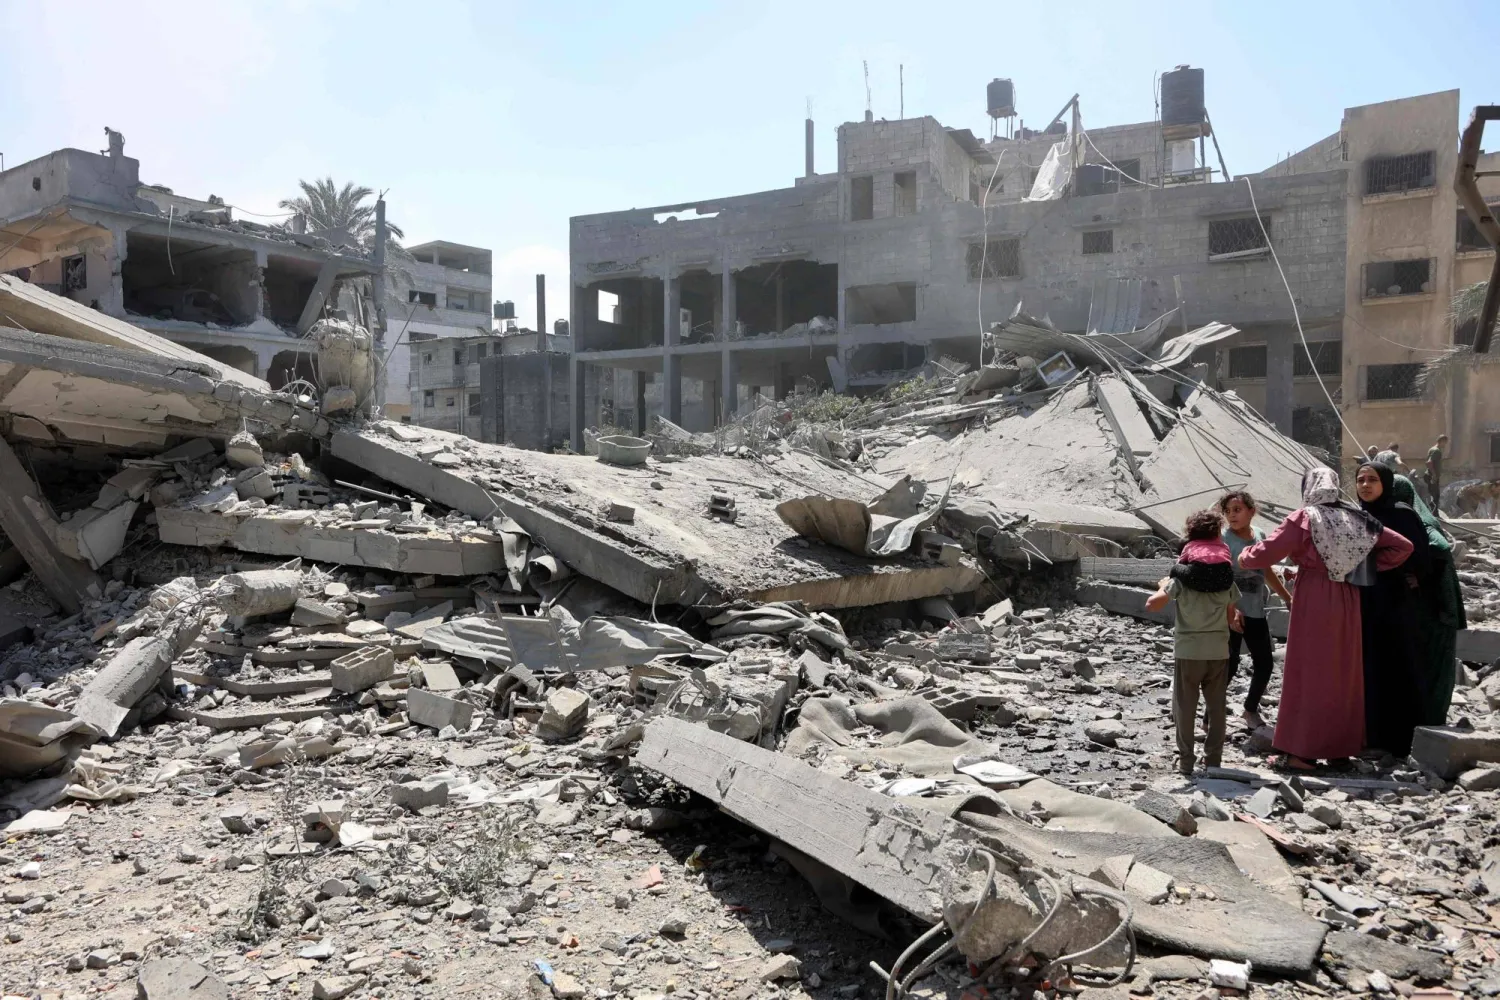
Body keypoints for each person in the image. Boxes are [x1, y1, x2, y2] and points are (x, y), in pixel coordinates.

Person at [1239, 468, 1413, 771]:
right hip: (1348, 597)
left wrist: (1244, 556)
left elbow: (1262, 555)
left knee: (1308, 671)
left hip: (1314, 597)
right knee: (1343, 672)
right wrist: (1367, 566)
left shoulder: (1305, 518)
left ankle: (1300, 752)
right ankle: (1339, 749)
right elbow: (1403, 546)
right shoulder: (1357, 518)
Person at [1146, 509, 1243, 776]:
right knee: (1217, 707)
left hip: (1189, 652)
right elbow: (1232, 615)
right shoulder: (1225, 580)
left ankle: (1186, 761)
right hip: (1218, 652)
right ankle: (1213, 761)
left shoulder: (1181, 580)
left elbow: (1152, 605)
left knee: (1185, 708)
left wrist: (1163, 585)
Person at [1355, 462, 1429, 759]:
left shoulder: (1401, 514)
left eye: (1372, 479)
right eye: (1360, 480)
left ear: (1386, 483)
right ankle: (1370, 735)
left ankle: (1400, 739)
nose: (1365, 485)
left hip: (1394, 603)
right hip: (1364, 600)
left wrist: (1416, 575)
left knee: (1396, 664)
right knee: (1368, 666)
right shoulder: (1357, 516)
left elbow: (1423, 554)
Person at [1388, 472, 1466, 726]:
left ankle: (1431, 722)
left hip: (1438, 609)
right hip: (1435, 605)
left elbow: (1440, 547)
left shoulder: (1422, 524)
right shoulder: (1412, 520)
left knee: (1434, 665)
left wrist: (1420, 573)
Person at [1217, 490, 1294, 730]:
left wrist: (1286, 596)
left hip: (1255, 610)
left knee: (1265, 663)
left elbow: (1266, 570)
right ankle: (1211, 716)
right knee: (1229, 665)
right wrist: (1230, 609)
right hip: (1229, 612)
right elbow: (1220, 576)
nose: (1232, 516)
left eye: (1237, 510)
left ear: (1252, 511)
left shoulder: (1260, 535)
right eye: (1228, 511)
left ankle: (1250, 709)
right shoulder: (1222, 539)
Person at [1426, 434, 1449, 510]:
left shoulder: (1432, 449)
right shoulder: (1437, 451)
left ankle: (1432, 513)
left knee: (1432, 495)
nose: (1445, 444)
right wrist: (1434, 475)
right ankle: (1434, 514)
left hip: (1430, 475)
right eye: (1445, 442)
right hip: (1432, 476)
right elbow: (1429, 462)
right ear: (1441, 441)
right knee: (1435, 496)